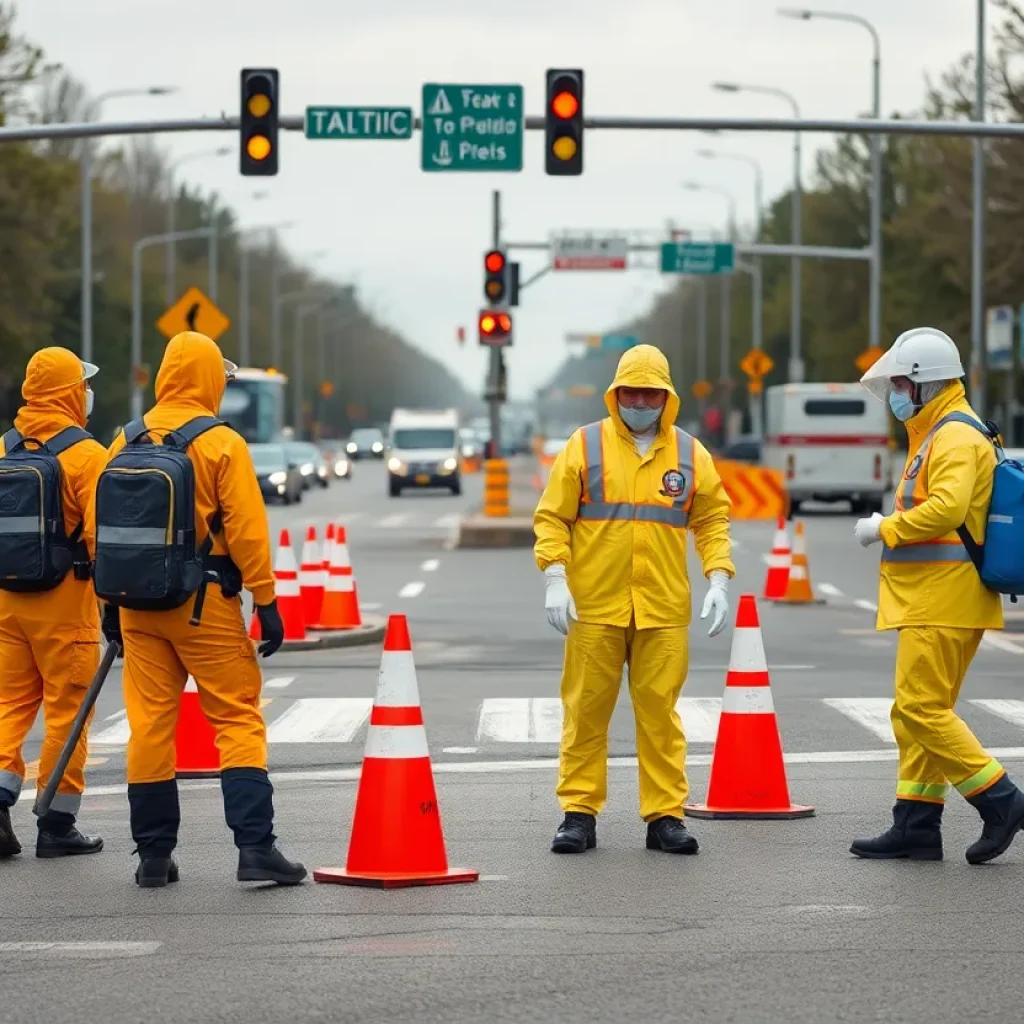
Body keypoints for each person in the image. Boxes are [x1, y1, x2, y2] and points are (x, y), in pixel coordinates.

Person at [98, 331, 303, 888]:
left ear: (165, 375)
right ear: (212, 379)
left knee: (150, 727)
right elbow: (246, 531)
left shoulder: (123, 439)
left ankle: (154, 857)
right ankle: (256, 849)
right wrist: (267, 599)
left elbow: (104, 529)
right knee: (236, 719)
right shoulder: (220, 443)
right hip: (203, 604)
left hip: (137, 606)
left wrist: (108, 602)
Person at [534, 344, 734, 856]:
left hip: (663, 609)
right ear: (615, 394)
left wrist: (719, 578)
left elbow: (711, 520)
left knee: (661, 717)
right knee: (585, 713)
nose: (640, 401)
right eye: (631, 392)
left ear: (667, 397)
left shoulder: (691, 454)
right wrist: (554, 575)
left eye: (650, 393)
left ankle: (665, 816)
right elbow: (552, 516)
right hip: (595, 605)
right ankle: (578, 815)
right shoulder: (585, 445)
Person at [851, 326, 1024, 865]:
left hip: (941, 598)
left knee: (921, 708)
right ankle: (917, 824)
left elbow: (947, 509)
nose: (896, 394)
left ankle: (1001, 800)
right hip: (940, 597)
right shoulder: (940, 430)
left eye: (901, 383)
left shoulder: (952, 435)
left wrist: (886, 528)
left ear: (925, 384)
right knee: (917, 713)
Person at [0, 348, 107, 859]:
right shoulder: (87, 455)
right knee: (68, 714)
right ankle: (57, 825)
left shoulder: (2, 447)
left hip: (6, 604)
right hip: (66, 608)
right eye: (82, 384)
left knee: (7, 707)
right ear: (69, 392)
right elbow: (101, 538)